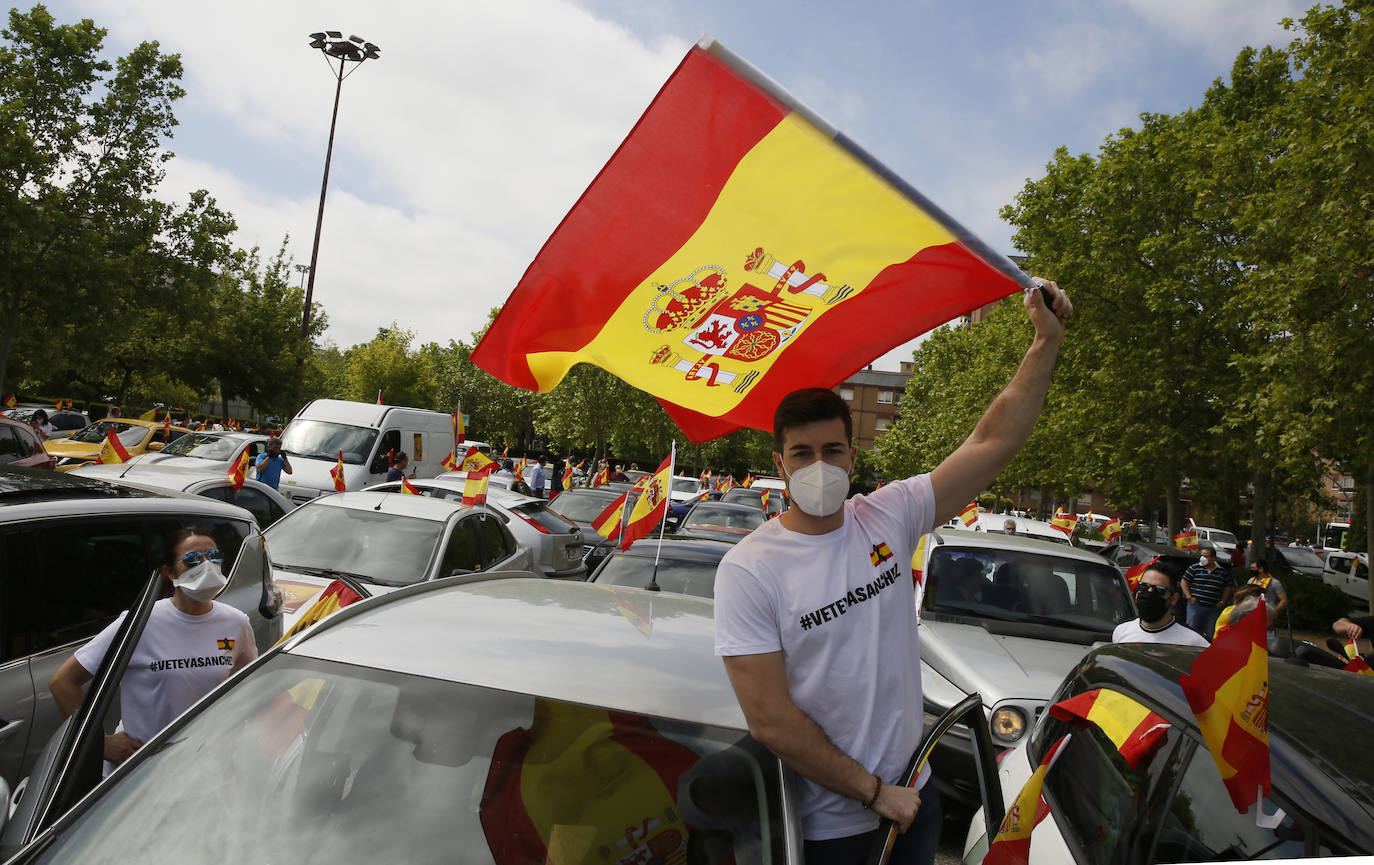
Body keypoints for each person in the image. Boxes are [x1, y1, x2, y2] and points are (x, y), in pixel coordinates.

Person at [714, 279, 1070, 865]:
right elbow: (771, 720)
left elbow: (992, 441)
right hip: (834, 831)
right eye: (802, 454)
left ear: (853, 457)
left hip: (915, 801)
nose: (819, 465)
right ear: (779, 463)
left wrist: (1044, 342)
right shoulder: (749, 571)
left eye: (832, 450)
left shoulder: (888, 514)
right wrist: (874, 794)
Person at [48, 528, 257, 774]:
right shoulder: (139, 623)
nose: (207, 565)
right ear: (169, 572)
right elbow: (62, 682)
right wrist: (99, 743)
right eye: (192, 560)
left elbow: (254, 685)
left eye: (213, 556)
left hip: (202, 770)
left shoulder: (235, 622)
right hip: (139, 774)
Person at [1112, 566, 1209, 647]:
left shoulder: (1196, 643)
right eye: (1144, 586)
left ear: (1174, 599)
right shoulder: (1121, 631)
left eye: (1159, 590)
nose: (1150, 593)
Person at [1180, 543, 1232, 638]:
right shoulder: (1194, 568)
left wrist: (1223, 601)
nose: (1202, 558)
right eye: (1202, 555)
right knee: (1192, 630)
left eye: (1206, 556)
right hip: (1196, 606)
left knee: (1210, 632)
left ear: (1213, 558)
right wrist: (1189, 596)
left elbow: (1228, 587)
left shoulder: (1222, 572)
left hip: (1213, 608)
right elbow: (1184, 581)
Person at [1245, 559, 1287, 631]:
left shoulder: (1274, 582)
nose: (1251, 570)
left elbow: (1284, 600)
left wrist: (1272, 613)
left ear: (1261, 569)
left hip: (1265, 617)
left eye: (1253, 568)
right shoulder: (1251, 581)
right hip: (1250, 615)